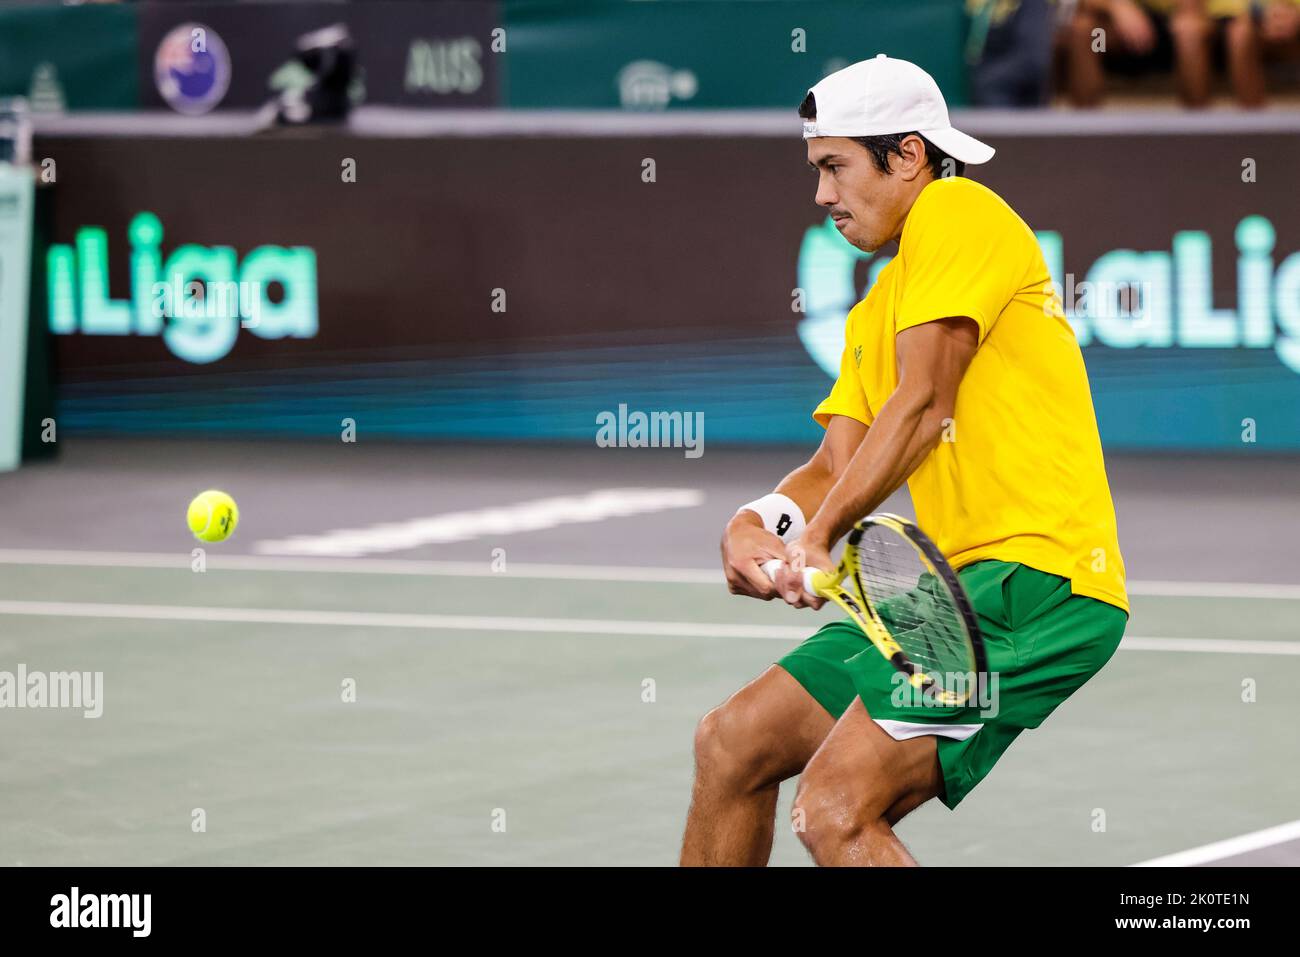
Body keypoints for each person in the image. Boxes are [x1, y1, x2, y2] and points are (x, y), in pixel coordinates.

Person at [679, 55, 1129, 867]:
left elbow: (924, 405)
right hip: (946, 599)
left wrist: (820, 539)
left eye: (835, 166)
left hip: (1039, 582)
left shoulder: (959, 213)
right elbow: (834, 461)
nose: (821, 194)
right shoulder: (878, 306)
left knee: (836, 808)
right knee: (732, 743)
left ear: (910, 154)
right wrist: (764, 521)